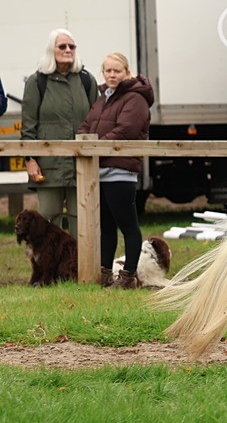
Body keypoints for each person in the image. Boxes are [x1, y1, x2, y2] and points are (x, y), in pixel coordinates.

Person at [78, 52, 154, 288]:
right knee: (107, 227)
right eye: (108, 70)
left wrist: (93, 148)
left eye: (117, 71)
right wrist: (85, 144)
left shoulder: (136, 99)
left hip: (120, 172)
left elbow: (125, 131)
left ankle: (128, 276)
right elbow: (85, 126)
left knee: (127, 225)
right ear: (102, 72)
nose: (112, 75)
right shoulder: (104, 97)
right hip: (99, 171)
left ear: (127, 72)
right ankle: (105, 273)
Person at [21, 28, 99, 236]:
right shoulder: (37, 82)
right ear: (51, 50)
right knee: (47, 223)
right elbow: (28, 126)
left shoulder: (87, 80)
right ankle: (49, 260)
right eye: (62, 46)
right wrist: (30, 159)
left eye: (72, 46)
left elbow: (97, 121)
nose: (68, 50)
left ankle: (80, 259)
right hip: (48, 167)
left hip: (81, 164)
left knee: (82, 223)